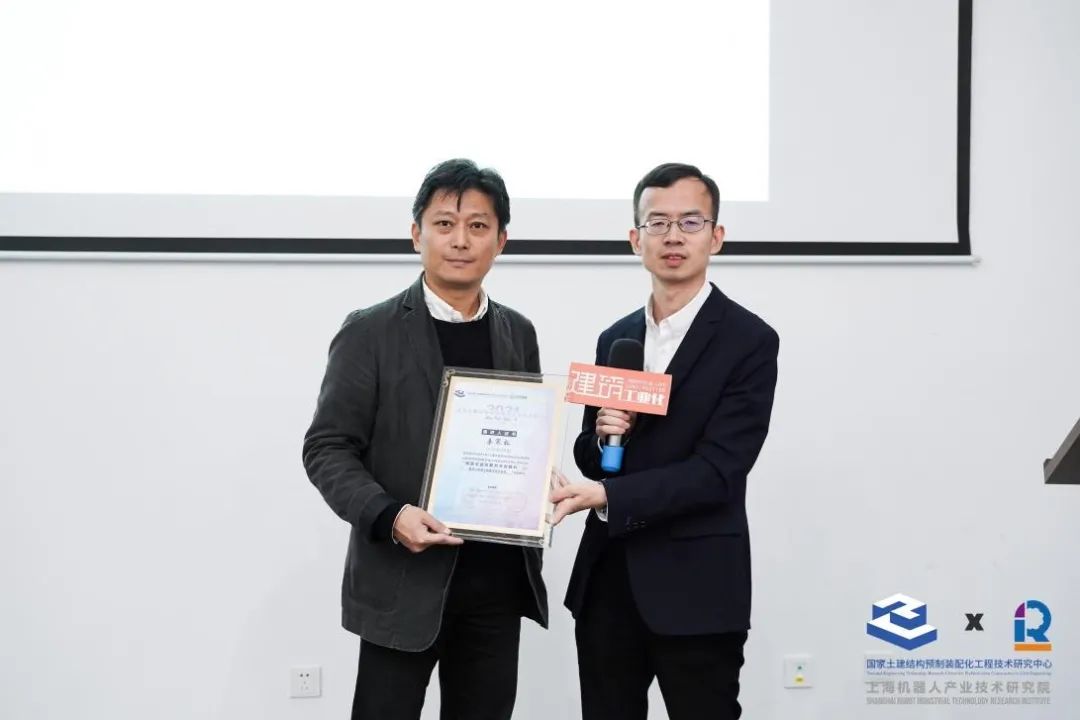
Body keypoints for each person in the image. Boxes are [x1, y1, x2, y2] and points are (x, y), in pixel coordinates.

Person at [303, 158, 547, 720]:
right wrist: (390, 516)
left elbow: (518, 437)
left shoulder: (518, 332)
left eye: (478, 226)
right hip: (401, 581)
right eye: (444, 224)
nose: (461, 240)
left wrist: (536, 476)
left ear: (501, 241)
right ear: (417, 234)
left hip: (494, 584)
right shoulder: (370, 330)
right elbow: (327, 448)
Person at [551, 162, 779, 720]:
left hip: (697, 589)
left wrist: (608, 497)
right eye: (657, 223)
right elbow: (592, 454)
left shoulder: (750, 340)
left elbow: (719, 471)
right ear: (636, 239)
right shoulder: (617, 337)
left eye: (690, 222)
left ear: (715, 236)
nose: (673, 236)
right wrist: (603, 436)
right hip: (608, 583)